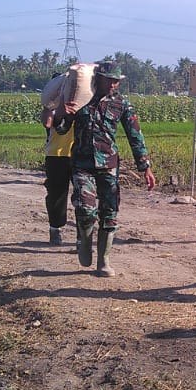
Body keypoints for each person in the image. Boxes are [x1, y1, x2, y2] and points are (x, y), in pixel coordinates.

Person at [52, 61, 157, 278]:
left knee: (110, 214)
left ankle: (103, 261)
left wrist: (145, 167)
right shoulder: (81, 100)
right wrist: (61, 112)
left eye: (116, 81)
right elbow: (61, 129)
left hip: (109, 165)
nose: (113, 85)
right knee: (85, 210)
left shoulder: (121, 104)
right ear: (98, 79)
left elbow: (135, 136)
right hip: (82, 164)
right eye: (109, 80)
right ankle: (84, 241)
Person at [41, 102, 74, 245]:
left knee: (83, 196)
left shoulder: (84, 102)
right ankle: (55, 228)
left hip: (80, 153)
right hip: (56, 153)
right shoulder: (52, 104)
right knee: (56, 195)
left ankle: (82, 237)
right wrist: (55, 108)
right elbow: (47, 123)